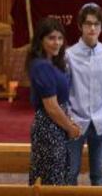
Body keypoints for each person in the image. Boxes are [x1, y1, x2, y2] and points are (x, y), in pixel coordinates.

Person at [67, 3, 102, 185]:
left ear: (101, 26)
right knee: (70, 172)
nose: (92, 28)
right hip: (75, 123)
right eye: (88, 24)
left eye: (96, 24)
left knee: (98, 174)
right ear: (80, 26)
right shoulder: (69, 55)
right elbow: (63, 91)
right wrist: (69, 118)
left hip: (99, 122)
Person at [27, 17, 81, 186]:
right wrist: (70, 128)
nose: (56, 43)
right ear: (40, 40)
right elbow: (51, 107)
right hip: (49, 128)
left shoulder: (53, 62)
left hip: (57, 125)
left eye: (59, 38)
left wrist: (68, 122)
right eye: (51, 38)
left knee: (59, 174)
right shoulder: (41, 66)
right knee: (51, 178)